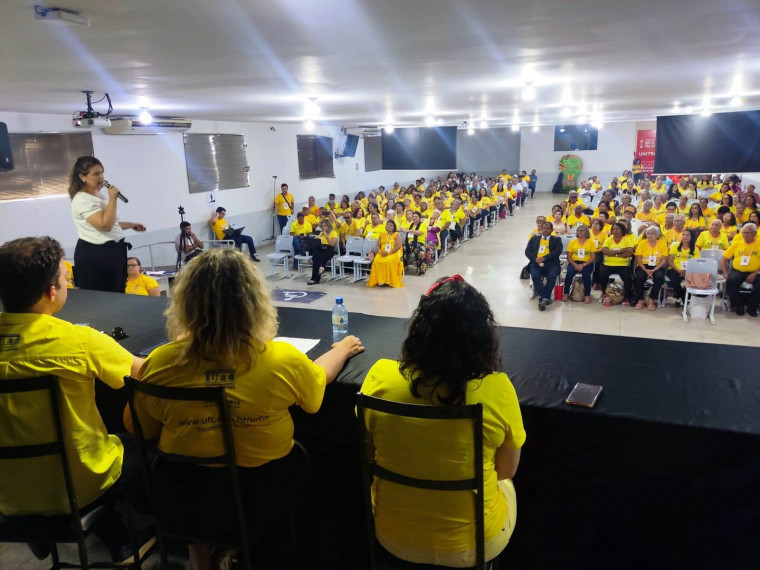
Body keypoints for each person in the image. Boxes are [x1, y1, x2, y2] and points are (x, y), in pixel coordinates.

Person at [130, 248, 364, 568]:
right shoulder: (281, 358)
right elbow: (316, 388)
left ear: (186, 304)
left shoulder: (160, 362)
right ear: (254, 303)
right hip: (262, 490)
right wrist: (341, 350)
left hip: (184, 492)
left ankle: (200, 548)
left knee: (190, 479)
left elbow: (139, 429)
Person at [0, 236, 151, 563]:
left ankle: (46, 529)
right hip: (79, 484)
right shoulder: (80, 339)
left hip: (7, 495)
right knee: (139, 446)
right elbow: (146, 373)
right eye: (64, 278)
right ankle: (129, 537)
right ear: (51, 291)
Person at [359, 275, 524, 567]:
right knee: (508, 485)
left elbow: (369, 452)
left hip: (391, 535)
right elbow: (505, 470)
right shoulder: (498, 388)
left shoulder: (379, 375)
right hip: (473, 545)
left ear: (418, 330)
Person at [69, 156, 147, 293]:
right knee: (105, 295)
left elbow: (110, 222)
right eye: (96, 174)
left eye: (102, 172)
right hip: (97, 255)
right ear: (82, 177)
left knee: (117, 291)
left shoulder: (97, 195)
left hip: (112, 252)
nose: (101, 177)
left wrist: (131, 225)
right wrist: (112, 199)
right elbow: (104, 225)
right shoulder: (82, 199)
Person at [720, 223, 760, 316]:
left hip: (756, 272)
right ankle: (739, 305)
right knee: (730, 281)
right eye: (743, 233)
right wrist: (725, 273)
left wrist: (755, 273)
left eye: (748, 233)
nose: (745, 235)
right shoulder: (736, 244)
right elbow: (723, 259)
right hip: (738, 271)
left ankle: (752, 307)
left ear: (754, 233)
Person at [525, 222, 563, 311]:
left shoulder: (557, 240)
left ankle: (543, 298)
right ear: (541, 229)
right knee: (535, 276)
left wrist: (544, 258)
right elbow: (527, 252)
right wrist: (535, 259)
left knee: (552, 276)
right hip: (536, 263)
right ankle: (545, 297)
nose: (545, 230)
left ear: (552, 230)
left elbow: (557, 251)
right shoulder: (534, 239)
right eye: (544, 228)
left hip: (551, 263)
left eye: (548, 228)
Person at [599, 222, 634, 307]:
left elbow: (629, 253)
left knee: (628, 278)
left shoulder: (627, 240)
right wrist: (619, 251)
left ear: (622, 231)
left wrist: (613, 254)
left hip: (622, 265)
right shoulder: (609, 239)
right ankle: (604, 292)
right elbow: (604, 251)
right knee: (602, 274)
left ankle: (627, 297)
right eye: (613, 229)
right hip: (608, 264)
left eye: (617, 229)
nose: (615, 231)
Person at [633, 226, 668, 310]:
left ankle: (651, 299)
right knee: (639, 277)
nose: (649, 235)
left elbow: (663, 261)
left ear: (657, 235)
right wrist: (646, 270)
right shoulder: (642, 243)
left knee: (659, 277)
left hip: (657, 266)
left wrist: (653, 270)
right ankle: (640, 299)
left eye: (652, 233)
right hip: (643, 266)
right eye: (648, 233)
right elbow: (638, 259)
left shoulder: (662, 244)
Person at [563, 225, 596, 304]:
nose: (580, 232)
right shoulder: (572, 242)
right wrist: (574, 264)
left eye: (582, 230)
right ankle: (566, 293)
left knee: (586, 275)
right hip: (574, 262)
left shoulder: (591, 242)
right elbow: (569, 257)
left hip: (587, 263)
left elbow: (593, 257)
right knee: (569, 273)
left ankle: (587, 295)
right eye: (578, 230)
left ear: (586, 232)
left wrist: (583, 265)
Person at [666, 229, 698, 307]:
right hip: (674, 269)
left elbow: (696, 263)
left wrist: (686, 272)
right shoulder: (675, 246)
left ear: (692, 237)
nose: (685, 237)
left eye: (688, 235)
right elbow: (670, 261)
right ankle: (683, 297)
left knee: (692, 281)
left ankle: (679, 298)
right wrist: (679, 271)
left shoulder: (695, 249)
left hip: (690, 271)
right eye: (683, 235)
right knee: (675, 281)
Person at [368, 220, 404, 288]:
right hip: (382, 252)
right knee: (376, 261)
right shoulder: (382, 234)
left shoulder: (396, 234)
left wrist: (388, 252)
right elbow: (378, 245)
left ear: (394, 227)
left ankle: (389, 281)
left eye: (391, 225)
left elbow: (398, 246)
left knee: (388, 261)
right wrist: (380, 251)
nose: (389, 226)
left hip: (393, 252)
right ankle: (380, 280)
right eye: (387, 224)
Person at [306, 219, 338, 285]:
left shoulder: (333, 232)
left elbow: (332, 243)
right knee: (316, 256)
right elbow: (318, 242)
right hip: (321, 248)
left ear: (328, 226)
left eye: (324, 226)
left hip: (329, 249)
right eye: (322, 226)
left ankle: (316, 278)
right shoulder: (321, 233)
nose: (323, 227)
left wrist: (326, 235)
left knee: (318, 258)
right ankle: (318, 272)